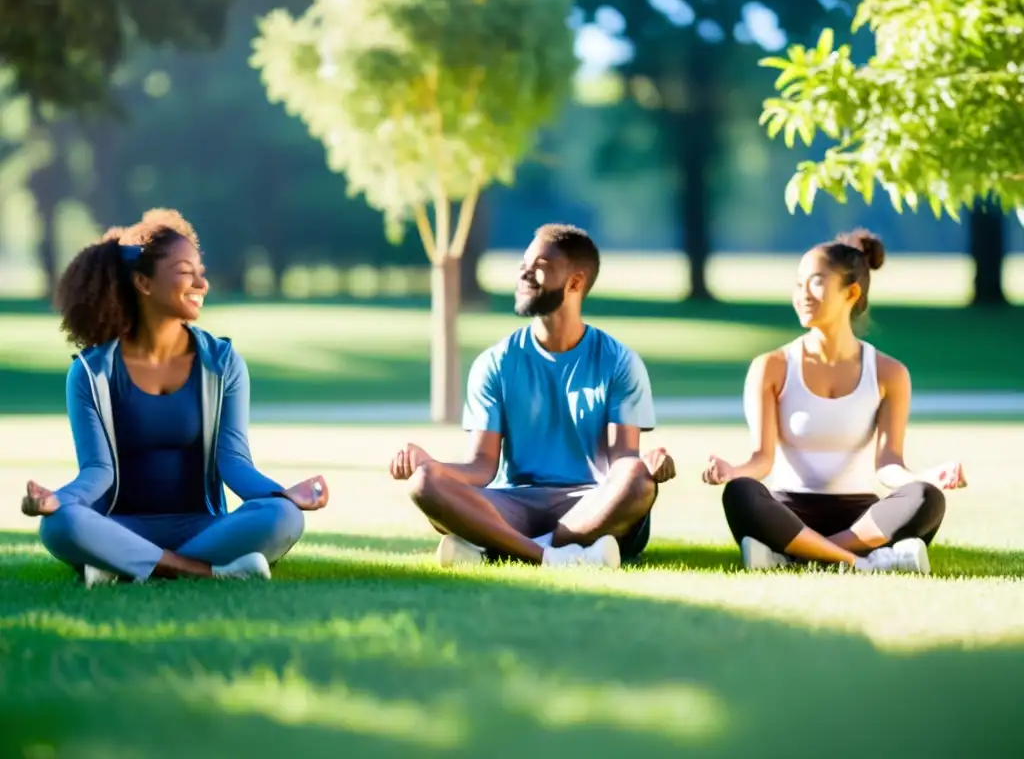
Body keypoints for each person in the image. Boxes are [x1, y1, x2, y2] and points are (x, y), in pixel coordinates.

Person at [21, 209, 329, 588]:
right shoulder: (91, 373)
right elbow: (97, 472)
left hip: (201, 527)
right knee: (60, 525)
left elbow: (233, 462)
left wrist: (281, 493)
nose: (202, 283)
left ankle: (122, 564)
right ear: (143, 283)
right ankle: (202, 570)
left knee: (284, 517)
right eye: (187, 272)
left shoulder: (222, 363)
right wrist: (56, 500)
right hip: (118, 524)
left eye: (201, 271)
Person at [388, 224, 676, 569]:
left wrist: (651, 463)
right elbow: (481, 467)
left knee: (637, 478)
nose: (524, 272)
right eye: (524, 263)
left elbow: (622, 464)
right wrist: (430, 465)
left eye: (540, 265)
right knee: (425, 483)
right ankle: (553, 556)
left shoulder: (619, 362)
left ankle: (494, 547)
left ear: (575, 282)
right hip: (514, 505)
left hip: (592, 505)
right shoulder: (494, 363)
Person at [701, 228, 964, 574]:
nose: (802, 294)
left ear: (851, 292)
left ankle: (796, 555)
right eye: (798, 284)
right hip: (788, 513)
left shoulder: (890, 373)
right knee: (741, 493)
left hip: (860, 520)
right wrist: (732, 471)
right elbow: (762, 460)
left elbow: (888, 464)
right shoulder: (771, 367)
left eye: (816, 282)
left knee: (926, 499)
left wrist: (927, 477)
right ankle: (865, 561)